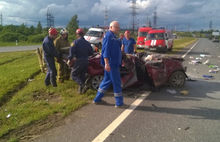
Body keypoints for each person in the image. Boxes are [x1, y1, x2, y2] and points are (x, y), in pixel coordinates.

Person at [93, 21, 126, 108]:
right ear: (110, 27)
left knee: (106, 81)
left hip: (114, 63)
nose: (118, 29)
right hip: (111, 64)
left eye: (118, 27)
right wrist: (107, 63)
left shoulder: (114, 37)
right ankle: (119, 102)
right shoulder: (108, 36)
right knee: (117, 82)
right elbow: (105, 51)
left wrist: (120, 60)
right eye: (116, 27)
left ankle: (97, 99)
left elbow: (117, 51)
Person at [67, 28, 94, 94]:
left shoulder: (75, 42)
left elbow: (72, 52)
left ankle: (83, 86)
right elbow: (91, 53)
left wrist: (69, 59)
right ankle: (81, 91)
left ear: (77, 35)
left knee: (73, 75)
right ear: (83, 34)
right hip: (86, 61)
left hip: (79, 60)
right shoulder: (87, 43)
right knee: (82, 76)